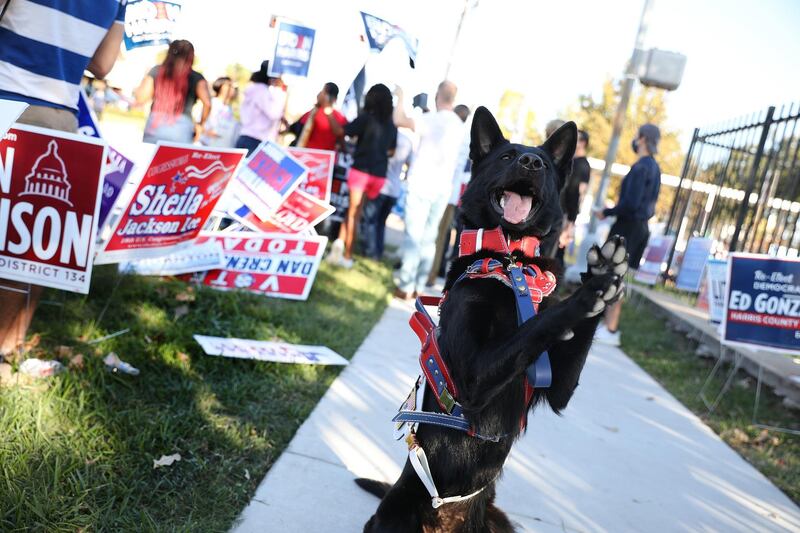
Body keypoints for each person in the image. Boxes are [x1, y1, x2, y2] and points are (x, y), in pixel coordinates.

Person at [0, 0, 126, 354]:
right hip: (61, 117)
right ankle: (7, 350)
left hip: (5, 100)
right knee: (32, 247)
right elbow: (102, 64)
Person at [392, 81, 465, 299]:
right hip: (443, 187)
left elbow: (398, 120)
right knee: (429, 237)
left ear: (437, 96)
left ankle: (405, 284)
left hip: (421, 183)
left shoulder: (430, 119)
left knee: (414, 235)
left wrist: (402, 97)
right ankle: (419, 285)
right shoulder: (459, 126)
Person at [594, 124, 662, 346]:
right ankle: (608, 326)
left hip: (627, 227)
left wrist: (607, 211)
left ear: (642, 139)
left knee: (613, 276)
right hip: (639, 228)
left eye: (637, 136)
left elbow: (630, 204)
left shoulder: (641, 167)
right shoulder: (655, 167)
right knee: (617, 276)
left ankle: (610, 328)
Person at [327, 84, 397, 268]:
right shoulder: (391, 125)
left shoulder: (366, 119)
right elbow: (391, 151)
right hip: (379, 176)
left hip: (361, 172)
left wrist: (328, 112)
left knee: (352, 215)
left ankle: (348, 257)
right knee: (354, 213)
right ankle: (338, 248)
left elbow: (340, 131)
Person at [427, 104, 471, 286]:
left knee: (438, 236)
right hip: (451, 193)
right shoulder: (464, 137)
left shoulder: (454, 133)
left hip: (445, 191)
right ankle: (433, 272)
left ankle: (430, 273)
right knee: (441, 236)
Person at [135, 40, 209, 144]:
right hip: (182, 127)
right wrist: (200, 124)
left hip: (156, 123)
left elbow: (141, 98)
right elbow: (207, 103)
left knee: (150, 158)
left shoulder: (156, 71)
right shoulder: (197, 77)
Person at [362, 128, 414, 259]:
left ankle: (370, 251)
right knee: (381, 222)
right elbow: (410, 164)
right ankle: (378, 251)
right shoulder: (408, 141)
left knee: (371, 220)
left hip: (381, 185)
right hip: (395, 188)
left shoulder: (387, 135)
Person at [235, 61, 286, 155]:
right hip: (255, 140)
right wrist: (280, 90)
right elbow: (274, 113)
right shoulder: (262, 91)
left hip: (247, 136)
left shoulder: (254, 89)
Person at [556, 130, 591, 266]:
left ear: (583, 143)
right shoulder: (570, 161)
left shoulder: (582, 165)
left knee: (557, 251)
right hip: (561, 211)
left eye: (577, 138)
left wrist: (570, 221)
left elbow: (579, 194)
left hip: (565, 215)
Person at [289, 82, 347, 151]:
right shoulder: (313, 113)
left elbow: (339, 134)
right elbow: (296, 129)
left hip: (321, 157)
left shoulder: (339, 117)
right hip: (310, 156)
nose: (319, 94)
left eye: (323, 92)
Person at [200, 77, 239, 148]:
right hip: (208, 146)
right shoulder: (211, 103)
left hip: (223, 148)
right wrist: (205, 131)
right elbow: (199, 123)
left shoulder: (230, 108)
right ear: (220, 86)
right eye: (229, 85)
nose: (232, 89)